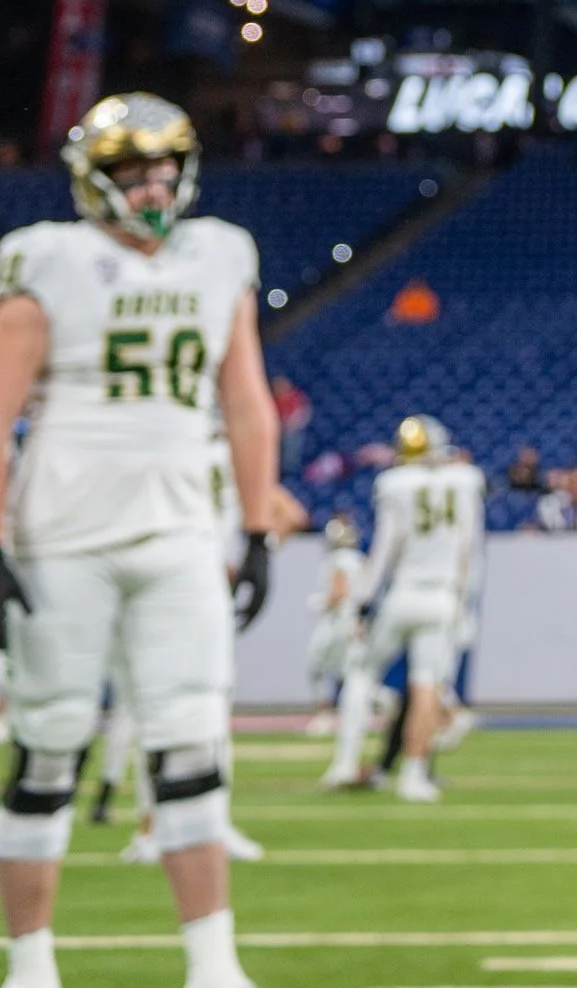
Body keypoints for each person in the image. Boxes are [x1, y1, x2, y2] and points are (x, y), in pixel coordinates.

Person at [0, 93, 277, 988]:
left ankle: (213, 963)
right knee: (47, 745)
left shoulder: (219, 252)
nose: (154, 185)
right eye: (133, 170)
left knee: (192, 740)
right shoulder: (49, 257)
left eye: (164, 166)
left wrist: (260, 519)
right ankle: (31, 959)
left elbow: (245, 396)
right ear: (94, 180)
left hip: (180, 528)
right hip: (61, 535)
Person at [321, 419, 482, 802]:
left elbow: (385, 549)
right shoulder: (464, 482)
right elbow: (469, 550)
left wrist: (362, 601)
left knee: (361, 673)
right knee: (427, 687)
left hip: (405, 592)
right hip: (443, 597)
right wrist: (463, 602)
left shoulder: (396, 485)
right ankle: (413, 774)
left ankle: (344, 763)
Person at [303, 516, 369, 737]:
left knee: (317, 664)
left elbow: (340, 593)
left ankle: (324, 716)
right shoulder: (358, 559)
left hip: (337, 621)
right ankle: (378, 706)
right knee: (353, 671)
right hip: (354, 620)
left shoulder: (339, 560)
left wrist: (320, 602)